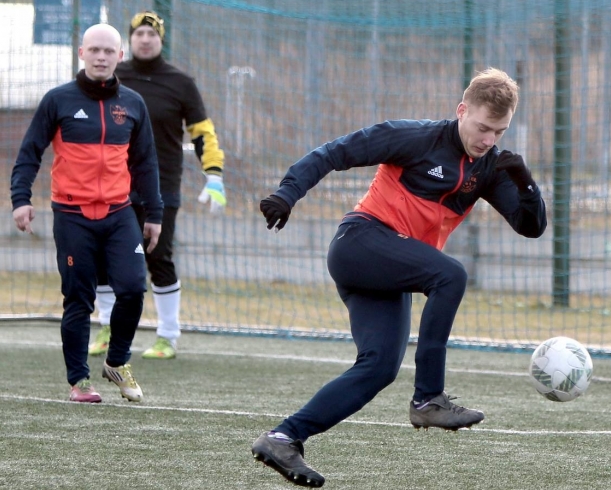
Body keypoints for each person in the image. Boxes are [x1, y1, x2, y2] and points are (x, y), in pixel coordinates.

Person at [251, 68, 546, 486]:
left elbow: (530, 226)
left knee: (379, 369)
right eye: (482, 128)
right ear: (462, 110)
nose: (489, 140)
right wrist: (287, 192)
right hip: (360, 242)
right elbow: (335, 152)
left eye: (498, 132)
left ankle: (283, 437)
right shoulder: (415, 137)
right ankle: (428, 397)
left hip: (390, 271)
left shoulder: (492, 166)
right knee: (451, 275)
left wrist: (525, 183)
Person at [10, 24, 163, 403]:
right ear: (81, 53)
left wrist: (154, 212)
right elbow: (30, 152)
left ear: (120, 57)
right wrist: (20, 199)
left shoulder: (132, 104)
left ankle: (116, 361)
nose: (100, 57)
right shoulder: (57, 100)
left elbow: (145, 162)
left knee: (132, 289)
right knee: (78, 298)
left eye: (108, 51)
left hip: (118, 212)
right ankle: (79, 381)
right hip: (72, 214)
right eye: (94, 50)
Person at [87, 11, 227, 360]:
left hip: (162, 186)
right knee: (103, 256)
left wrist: (214, 176)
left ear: (161, 39)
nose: (145, 39)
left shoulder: (181, 83)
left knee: (158, 256)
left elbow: (202, 133)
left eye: (151, 33)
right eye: (139, 33)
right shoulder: (112, 78)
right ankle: (106, 326)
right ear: (129, 41)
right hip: (111, 185)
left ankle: (167, 335)